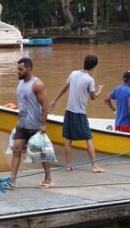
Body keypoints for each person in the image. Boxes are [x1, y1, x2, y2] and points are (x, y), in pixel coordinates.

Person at [51, 55, 105, 173]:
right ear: (94, 66)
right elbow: (93, 97)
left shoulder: (73, 73)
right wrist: (100, 90)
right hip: (80, 113)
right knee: (88, 138)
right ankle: (94, 166)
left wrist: (55, 100)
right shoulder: (89, 80)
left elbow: (64, 88)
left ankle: (68, 165)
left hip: (69, 110)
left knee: (68, 139)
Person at [8, 57, 53, 188]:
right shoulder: (20, 83)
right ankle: (12, 181)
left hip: (35, 125)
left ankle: (48, 177)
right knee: (16, 149)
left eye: (20, 69)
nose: (18, 72)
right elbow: (24, 102)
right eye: (18, 69)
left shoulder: (37, 84)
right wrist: (16, 107)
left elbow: (45, 105)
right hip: (22, 124)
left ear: (29, 68)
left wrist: (43, 124)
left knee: (41, 153)